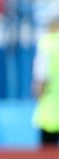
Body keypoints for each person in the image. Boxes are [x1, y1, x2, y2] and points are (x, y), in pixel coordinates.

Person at [32, 13, 59, 147]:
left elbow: (41, 76)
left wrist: (38, 93)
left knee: (48, 156)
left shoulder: (47, 43)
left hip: (51, 110)